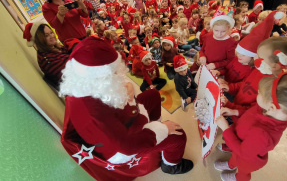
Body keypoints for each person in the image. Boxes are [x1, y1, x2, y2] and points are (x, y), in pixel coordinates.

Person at [59, 36, 193, 181]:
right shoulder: (92, 112)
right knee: (178, 135)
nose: (118, 75)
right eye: (114, 72)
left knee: (153, 95)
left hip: (124, 120)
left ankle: (155, 135)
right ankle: (171, 165)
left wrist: (129, 92)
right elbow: (126, 147)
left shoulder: (85, 86)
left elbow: (112, 101)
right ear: (101, 75)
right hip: (120, 148)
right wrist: (163, 130)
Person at [215, 73, 287, 181]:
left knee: (243, 171)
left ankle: (238, 178)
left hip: (247, 160)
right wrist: (234, 111)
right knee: (234, 157)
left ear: (272, 107)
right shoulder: (265, 109)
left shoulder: (263, 135)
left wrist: (226, 129)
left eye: (259, 93)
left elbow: (243, 152)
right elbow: (248, 113)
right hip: (239, 146)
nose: (257, 94)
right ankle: (231, 165)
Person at [23, 21, 79, 89]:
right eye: (46, 35)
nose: (52, 36)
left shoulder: (54, 48)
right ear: (40, 40)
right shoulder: (47, 59)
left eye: (51, 32)